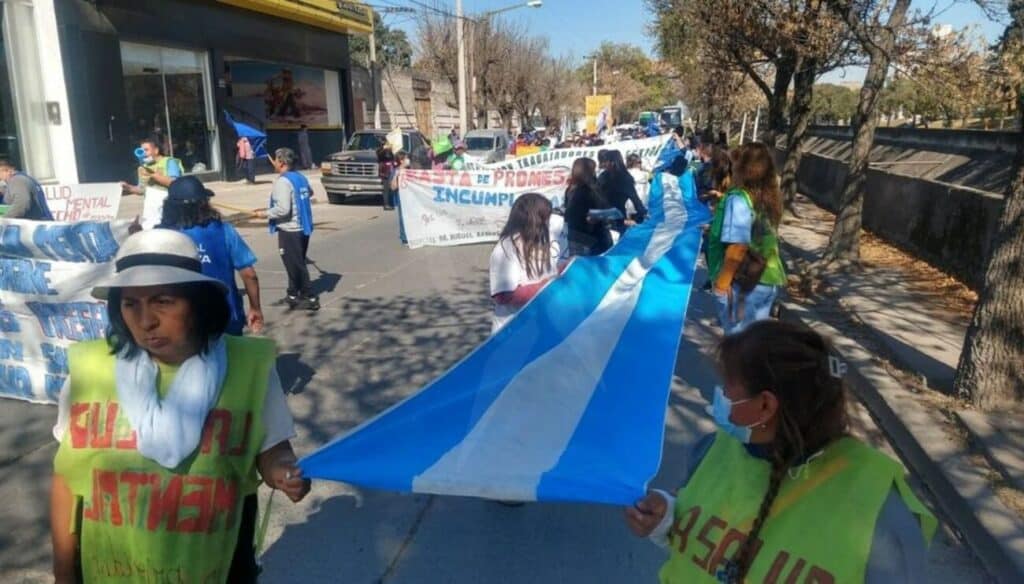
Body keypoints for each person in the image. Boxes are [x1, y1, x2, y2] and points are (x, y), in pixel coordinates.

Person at [50, 229, 311, 584]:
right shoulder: (91, 369)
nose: (146, 321)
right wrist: (64, 574)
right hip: (108, 571)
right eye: (131, 304)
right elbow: (68, 478)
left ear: (197, 303)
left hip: (216, 568)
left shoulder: (248, 366)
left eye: (163, 301)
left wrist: (284, 472)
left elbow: (272, 451)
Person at [625, 320, 936, 584]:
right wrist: (667, 520)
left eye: (727, 387)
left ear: (765, 405)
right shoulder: (713, 450)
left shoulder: (880, 511)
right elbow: (711, 552)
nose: (719, 396)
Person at [160, 176, 264, 336]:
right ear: (204, 204)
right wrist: (255, 308)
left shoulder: (162, 236)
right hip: (226, 317)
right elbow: (249, 275)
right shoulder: (224, 231)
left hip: (182, 322)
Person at [707, 143, 786, 334]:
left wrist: (721, 284)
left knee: (738, 348)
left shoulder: (738, 198)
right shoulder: (767, 198)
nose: (731, 168)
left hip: (744, 284)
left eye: (735, 163)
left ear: (743, 168)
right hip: (767, 277)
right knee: (754, 344)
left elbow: (738, 246)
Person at [489, 193, 565, 333]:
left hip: (540, 324)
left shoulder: (540, 241)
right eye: (545, 218)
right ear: (534, 220)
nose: (549, 222)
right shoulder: (506, 248)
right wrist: (545, 287)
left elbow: (544, 274)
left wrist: (564, 269)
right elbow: (503, 295)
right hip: (513, 328)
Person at [255, 147, 319, 311]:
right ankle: (292, 294)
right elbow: (309, 192)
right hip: (302, 227)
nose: (273, 162)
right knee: (295, 262)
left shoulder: (283, 182)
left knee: (295, 264)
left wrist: (265, 214)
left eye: (275, 159)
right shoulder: (299, 177)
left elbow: (283, 209)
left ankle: (309, 297)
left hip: (290, 230)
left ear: (281, 162)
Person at [121, 135, 183, 230]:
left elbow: (175, 184)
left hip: (169, 210)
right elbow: (141, 190)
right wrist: (128, 187)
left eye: (146, 150)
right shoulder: (142, 168)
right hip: (150, 213)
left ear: (156, 150)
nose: (144, 154)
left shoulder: (169, 162)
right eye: (141, 151)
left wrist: (153, 174)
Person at [564, 158, 612, 257]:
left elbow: (568, 213)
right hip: (593, 236)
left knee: (578, 267)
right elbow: (603, 210)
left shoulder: (570, 189)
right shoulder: (592, 190)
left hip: (575, 235)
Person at [597, 149, 647, 229]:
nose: (604, 164)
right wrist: (641, 215)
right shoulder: (623, 177)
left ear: (612, 162)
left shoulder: (621, 178)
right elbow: (635, 199)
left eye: (606, 161)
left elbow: (635, 199)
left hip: (608, 218)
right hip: (612, 219)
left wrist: (641, 215)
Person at [392, 150, 410, 244]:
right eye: (406, 158)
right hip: (402, 198)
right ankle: (404, 237)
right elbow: (393, 187)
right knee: (403, 217)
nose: (408, 160)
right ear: (401, 160)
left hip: (411, 198)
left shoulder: (411, 170)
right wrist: (396, 175)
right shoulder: (396, 171)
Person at [378, 145, 398, 211]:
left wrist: (393, 151)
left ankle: (391, 203)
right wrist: (384, 149)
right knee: (386, 190)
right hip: (385, 173)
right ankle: (386, 205)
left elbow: (393, 159)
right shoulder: (382, 152)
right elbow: (380, 155)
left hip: (391, 172)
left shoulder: (391, 152)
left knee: (391, 189)